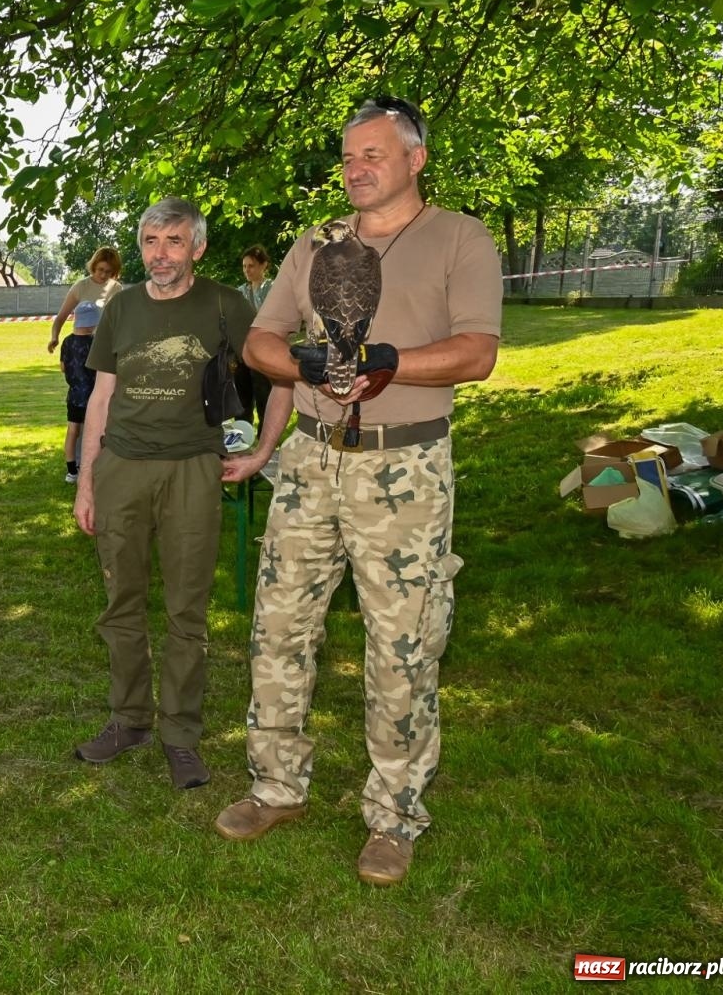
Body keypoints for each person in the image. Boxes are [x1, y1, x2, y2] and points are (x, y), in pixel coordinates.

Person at [214, 96, 502, 887]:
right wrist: (305, 364)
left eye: (373, 154)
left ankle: (395, 816)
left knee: (402, 645)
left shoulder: (459, 237)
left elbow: (477, 353)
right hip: (310, 460)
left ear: (416, 158)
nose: (356, 169)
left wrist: (385, 364)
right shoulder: (316, 244)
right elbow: (260, 340)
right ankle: (276, 785)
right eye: (347, 158)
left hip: (403, 467)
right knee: (279, 626)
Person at [72, 198, 290, 791]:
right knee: (122, 606)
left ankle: (181, 736)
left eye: (172, 242)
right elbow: (100, 397)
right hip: (122, 469)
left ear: (197, 248)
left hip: (195, 470)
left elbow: (279, 376)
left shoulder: (226, 305)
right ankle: (129, 720)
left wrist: (263, 451)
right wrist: (87, 481)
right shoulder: (122, 307)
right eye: (149, 241)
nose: (159, 254)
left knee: (186, 612)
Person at [48, 247, 123, 483]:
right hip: (81, 353)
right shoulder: (80, 287)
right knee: (81, 416)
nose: (103, 275)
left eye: (109, 272)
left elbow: (120, 323)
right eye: (100, 270)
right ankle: (77, 465)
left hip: (104, 353)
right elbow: (60, 317)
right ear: (93, 266)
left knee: (103, 411)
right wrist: (54, 336)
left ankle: (102, 462)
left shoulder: (116, 289)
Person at [237, 247, 275, 429]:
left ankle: (264, 437)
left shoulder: (272, 289)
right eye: (244, 266)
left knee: (263, 394)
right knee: (242, 396)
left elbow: (270, 318)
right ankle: (241, 438)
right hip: (242, 350)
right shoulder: (240, 291)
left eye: (251, 266)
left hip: (264, 350)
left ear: (263, 265)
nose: (247, 270)